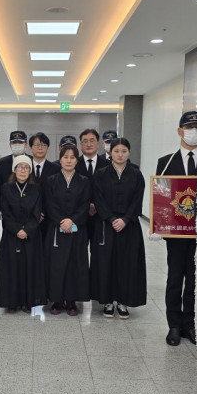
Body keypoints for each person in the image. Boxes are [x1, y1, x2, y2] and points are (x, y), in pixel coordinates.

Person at [156, 110, 197, 349]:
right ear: (180, 131)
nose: (194, 132)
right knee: (175, 278)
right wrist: (158, 223)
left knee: (194, 280)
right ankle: (174, 325)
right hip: (175, 232)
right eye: (189, 128)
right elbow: (162, 194)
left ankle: (190, 324)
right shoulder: (166, 162)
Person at [90, 138, 147, 319]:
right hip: (106, 224)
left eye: (124, 151)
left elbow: (138, 199)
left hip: (129, 226)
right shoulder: (101, 174)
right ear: (110, 152)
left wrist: (126, 219)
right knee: (106, 262)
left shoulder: (136, 174)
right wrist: (111, 218)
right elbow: (98, 198)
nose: (120, 155)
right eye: (116, 151)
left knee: (127, 263)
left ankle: (123, 301)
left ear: (129, 152)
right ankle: (107, 301)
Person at [0, 155, 47, 312]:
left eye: (26, 167)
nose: (23, 170)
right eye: (20, 167)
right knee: (12, 267)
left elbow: (37, 212)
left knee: (29, 267)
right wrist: (17, 230)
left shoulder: (36, 188)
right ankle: (12, 302)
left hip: (31, 235)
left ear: (30, 171)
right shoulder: (6, 188)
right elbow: (6, 213)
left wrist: (27, 230)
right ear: (14, 170)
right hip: (11, 234)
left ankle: (28, 301)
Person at [44, 144, 91, 316]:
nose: (69, 160)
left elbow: (85, 204)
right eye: (65, 157)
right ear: (60, 159)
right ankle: (57, 300)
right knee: (56, 264)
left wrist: (72, 220)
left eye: (72, 157)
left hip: (77, 229)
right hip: (56, 228)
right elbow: (49, 204)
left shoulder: (84, 181)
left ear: (77, 160)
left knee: (75, 264)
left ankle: (71, 301)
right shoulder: (51, 180)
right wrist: (61, 221)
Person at [76, 128, 110, 239]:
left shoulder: (108, 165)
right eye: (85, 141)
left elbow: (110, 189)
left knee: (100, 248)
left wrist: (97, 205)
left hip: (102, 215)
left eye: (92, 140)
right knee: (79, 248)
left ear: (98, 143)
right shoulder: (74, 164)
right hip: (79, 215)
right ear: (80, 144)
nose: (89, 144)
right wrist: (87, 205)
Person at [30, 132, 60, 241]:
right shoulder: (25, 168)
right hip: (28, 216)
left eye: (43, 145)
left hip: (49, 217)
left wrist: (43, 212)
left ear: (47, 148)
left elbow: (55, 195)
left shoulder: (56, 168)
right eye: (37, 145)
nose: (40, 148)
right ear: (31, 148)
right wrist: (34, 214)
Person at [0, 130, 30, 208]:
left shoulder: (31, 161)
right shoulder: (2, 163)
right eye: (14, 142)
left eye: (20, 142)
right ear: (10, 145)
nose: (17, 145)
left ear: (26, 145)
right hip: (6, 206)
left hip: (28, 206)